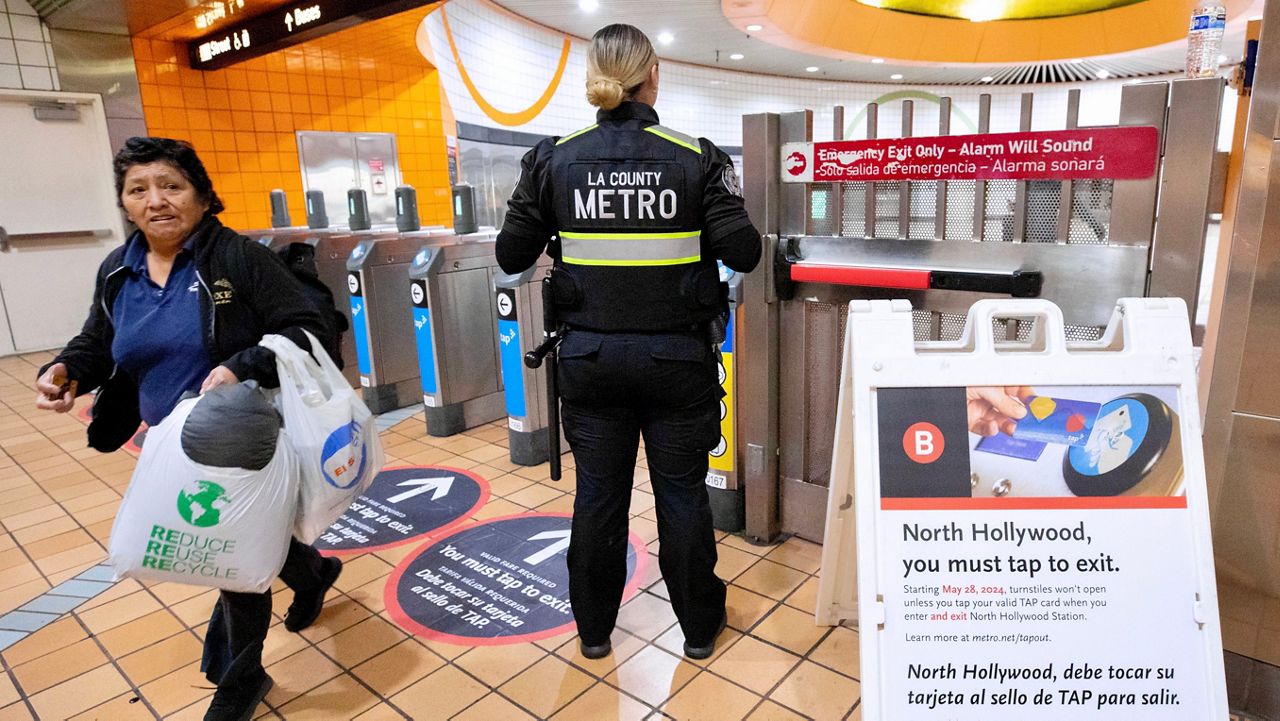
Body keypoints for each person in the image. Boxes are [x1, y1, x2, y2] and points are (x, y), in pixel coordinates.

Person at [33, 137, 343, 721]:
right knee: (249, 542)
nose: (157, 200)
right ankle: (314, 570)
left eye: (172, 186)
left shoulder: (237, 259)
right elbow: (99, 342)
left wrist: (243, 364)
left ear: (202, 196)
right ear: (124, 203)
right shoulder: (118, 269)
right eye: (138, 189)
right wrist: (67, 369)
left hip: (241, 436)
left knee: (230, 556)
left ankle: (238, 679)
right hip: (163, 440)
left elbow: (309, 325)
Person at [495, 24, 761, 661]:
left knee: (598, 497)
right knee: (681, 495)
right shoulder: (697, 156)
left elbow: (511, 254)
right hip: (677, 362)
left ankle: (593, 630)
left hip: (589, 361)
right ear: (653, 76)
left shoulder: (552, 157)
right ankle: (698, 629)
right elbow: (744, 251)